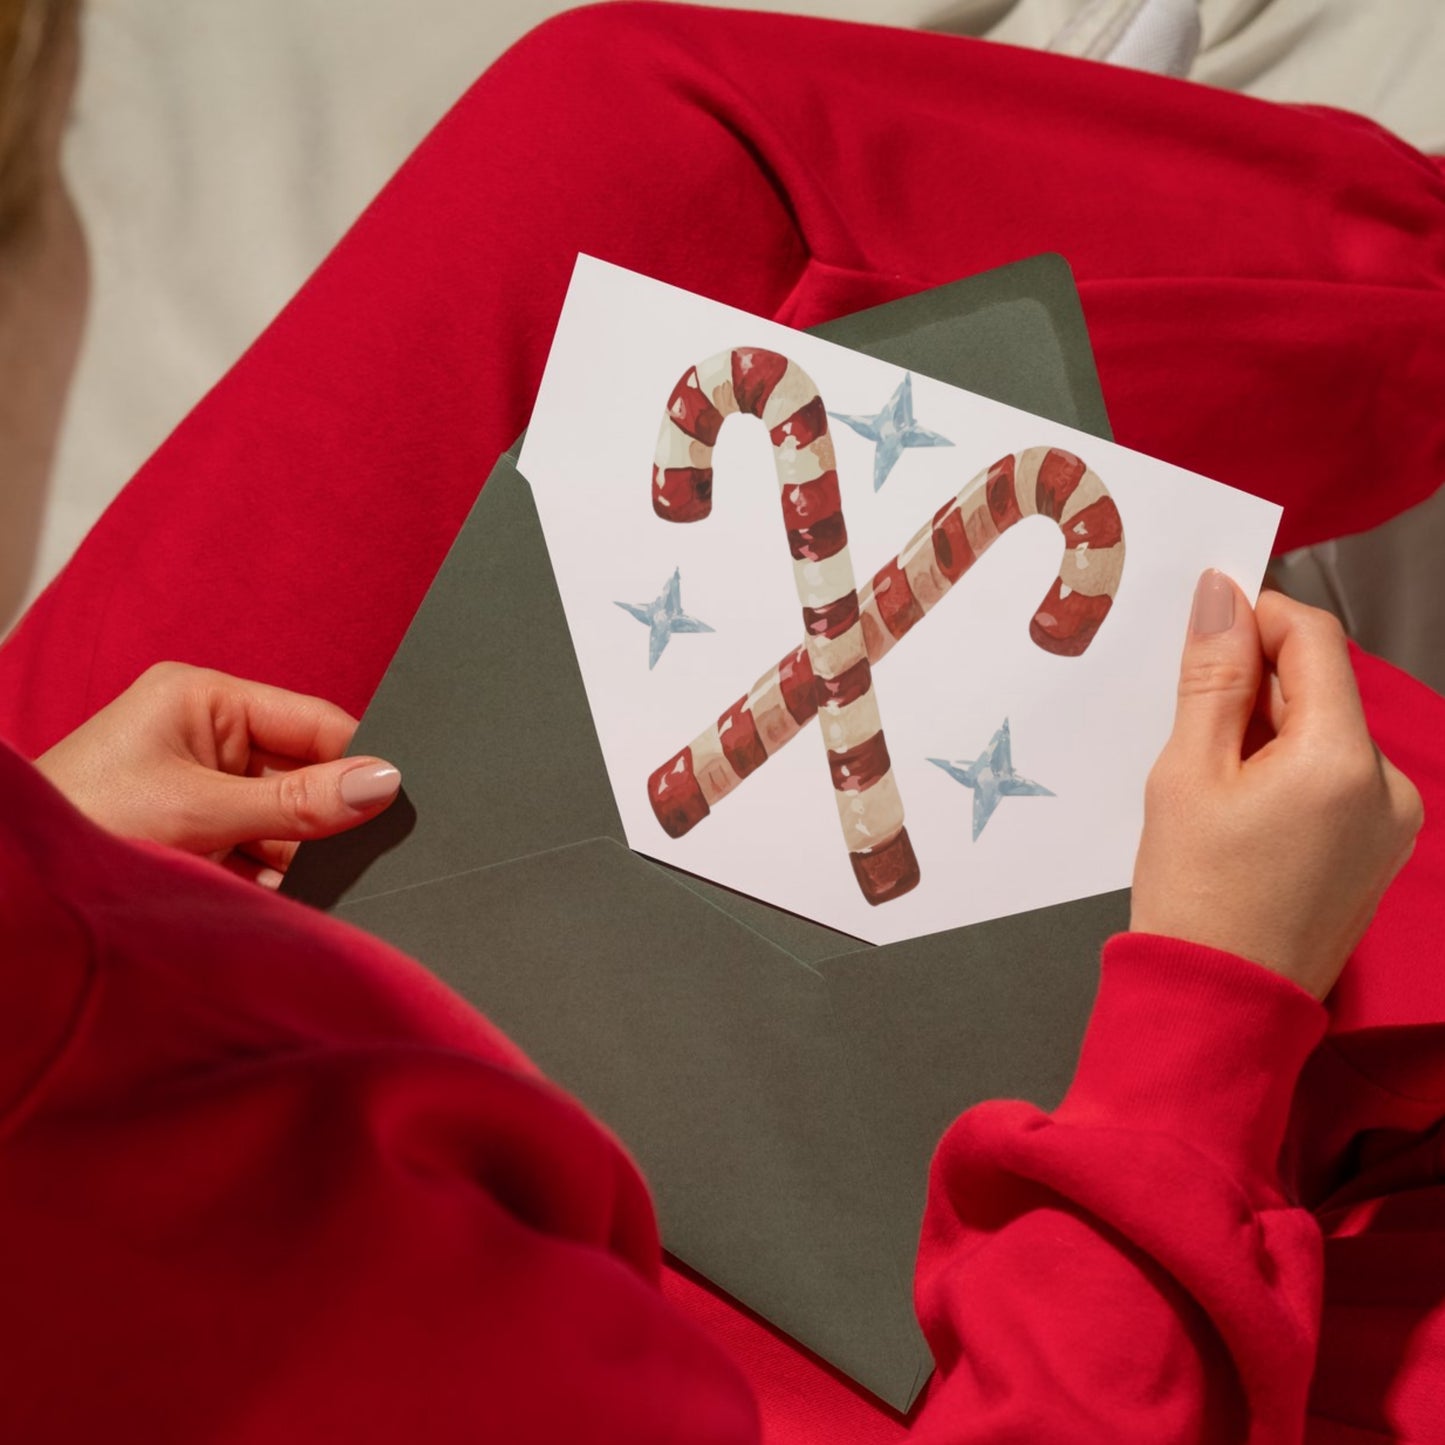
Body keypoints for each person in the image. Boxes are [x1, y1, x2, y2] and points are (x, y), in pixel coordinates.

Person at [1, 2, 1441, 1440]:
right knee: (1317, 823)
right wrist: (1205, 1014)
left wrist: (54, 858)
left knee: (643, 139)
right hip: (622, 1333)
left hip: (92, 950)